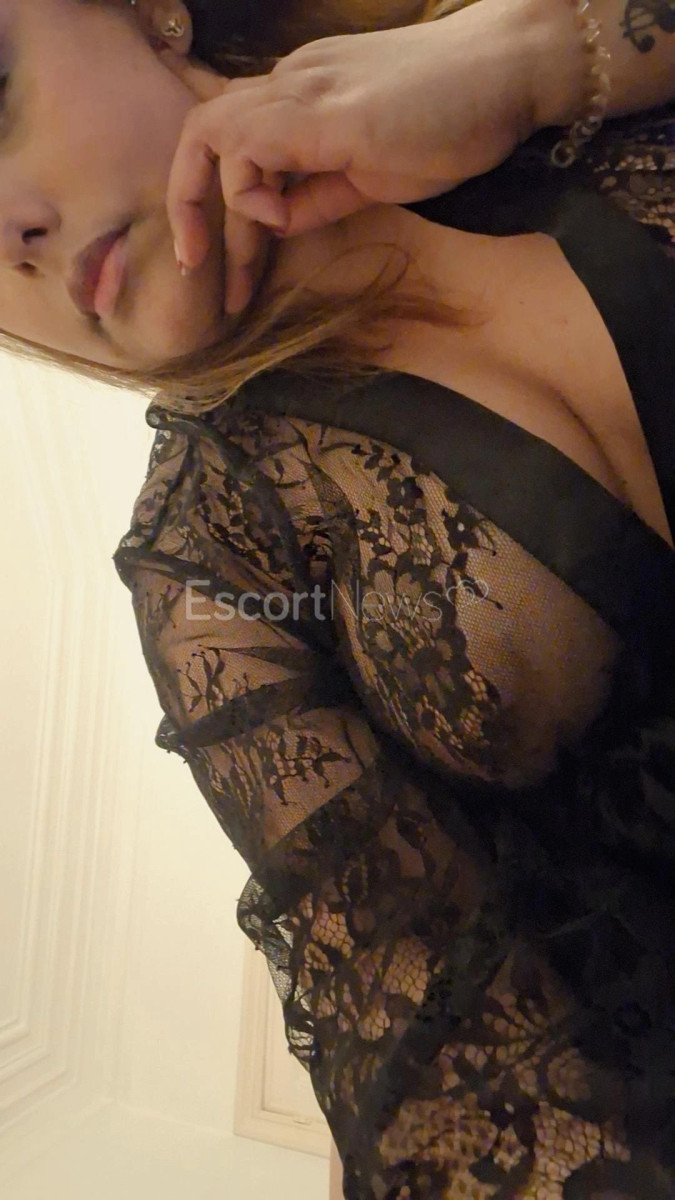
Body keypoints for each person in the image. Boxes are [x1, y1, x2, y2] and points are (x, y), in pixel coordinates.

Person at [2, 1, 675, 1194]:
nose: (8, 231)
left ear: (150, 10)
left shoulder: (549, 61)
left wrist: (533, 59)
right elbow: (463, 1105)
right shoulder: (212, 569)